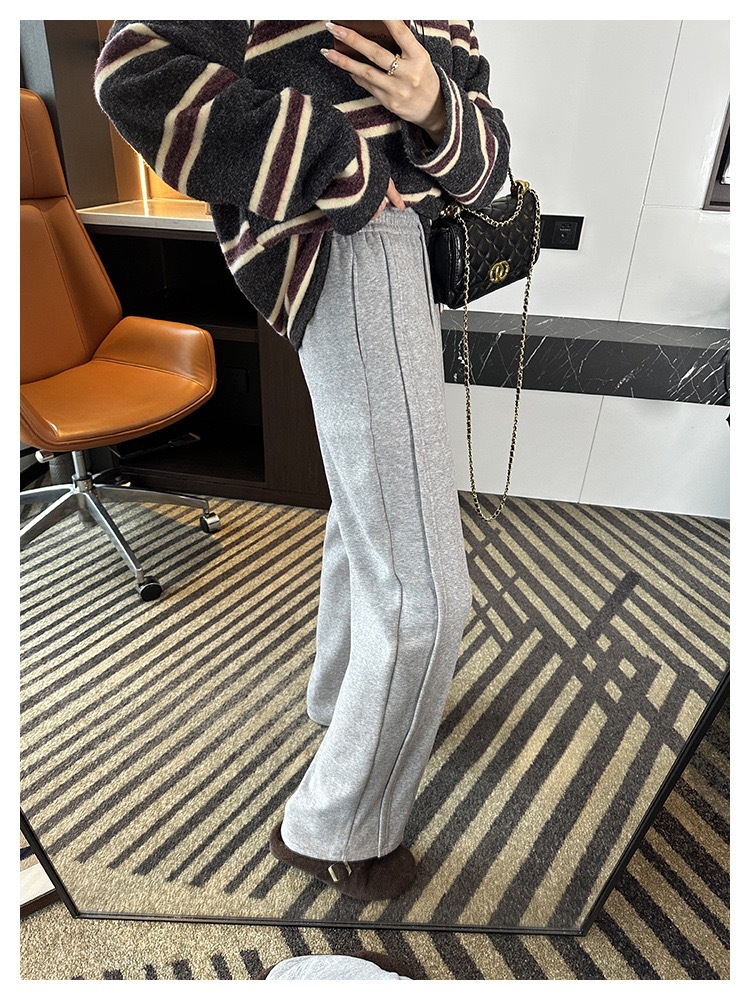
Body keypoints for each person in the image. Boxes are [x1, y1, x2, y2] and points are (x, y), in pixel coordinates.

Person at [94, 19, 510, 902]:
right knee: (428, 594)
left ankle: (341, 694)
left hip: (406, 246)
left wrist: (437, 107)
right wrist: (339, 162)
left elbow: (490, 157)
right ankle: (336, 828)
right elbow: (133, 73)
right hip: (350, 245)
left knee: (373, 513)